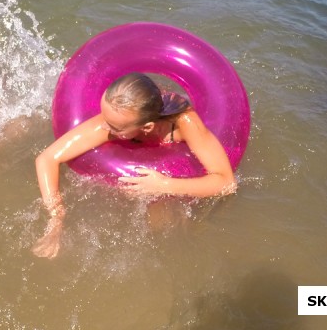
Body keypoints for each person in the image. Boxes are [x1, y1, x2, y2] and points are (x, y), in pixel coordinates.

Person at [32, 72, 236, 259]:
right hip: (146, 155)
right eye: (105, 118)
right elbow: (47, 159)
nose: (103, 126)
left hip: (175, 177)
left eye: (115, 127)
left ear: (147, 127)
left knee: (162, 225)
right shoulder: (112, 118)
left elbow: (226, 183)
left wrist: (164, 185)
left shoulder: (185, 123)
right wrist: (56, 219)